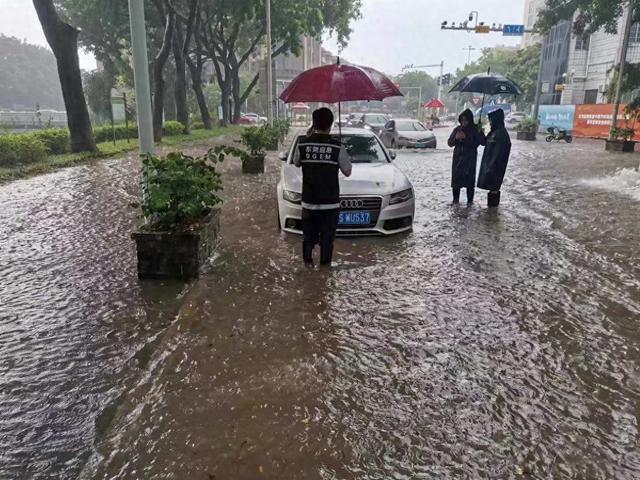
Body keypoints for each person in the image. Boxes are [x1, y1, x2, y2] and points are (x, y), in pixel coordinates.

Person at [294, 107, 352, 266]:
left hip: (309, 202)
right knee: (327, 241)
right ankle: (324, 274)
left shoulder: (303, 144)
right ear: (331, 123)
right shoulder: (337, 146)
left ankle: (308, 268)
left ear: (314, 122)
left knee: (308, 239)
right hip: (330, 204)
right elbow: (347, 172)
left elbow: (296, 162)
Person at [447, 109, 485, 204]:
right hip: (458, 161)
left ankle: (470, 204)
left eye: (466, 120)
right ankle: (455, 204)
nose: (464, 122)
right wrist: (456, 138)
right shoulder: (457, 129)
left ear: (470, 120)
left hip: (470, 161)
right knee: (456, 183)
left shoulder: (475, 130)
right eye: (462, 120)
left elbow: (482, 142)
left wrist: (468, 137)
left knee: (469, 184)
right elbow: (450, 143)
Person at [477, 109, 512, 207]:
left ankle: (492, 212)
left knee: (494, 189)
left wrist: (490, 168)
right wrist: (480, 131)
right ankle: (491, 215)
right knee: (491, 190)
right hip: (489, 166)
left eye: (491, 120)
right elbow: (484, 142)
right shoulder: (493, 132)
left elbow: (499, 154)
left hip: (495, 169)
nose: (490, 122)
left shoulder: (502, 134)